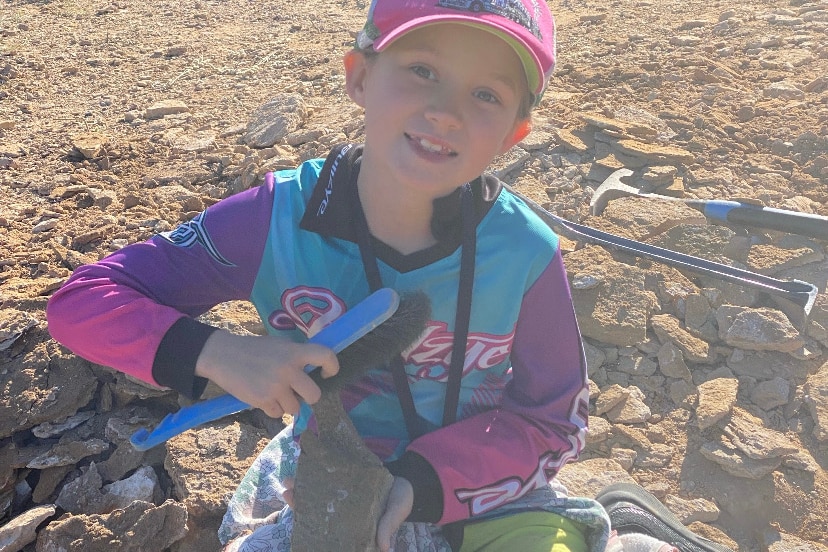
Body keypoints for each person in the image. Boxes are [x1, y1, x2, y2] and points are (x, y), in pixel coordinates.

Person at [47, 1, 731, 551]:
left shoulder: (526, 253)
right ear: (358, 76)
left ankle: (618, 519)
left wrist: (420, 488)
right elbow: (81, 303)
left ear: (513, 135)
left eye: (487, 94)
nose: (447, 112)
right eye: (422, 71)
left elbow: (550, 422)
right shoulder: (273, 220)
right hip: (329, 475)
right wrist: (223, 354)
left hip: (483, 481)